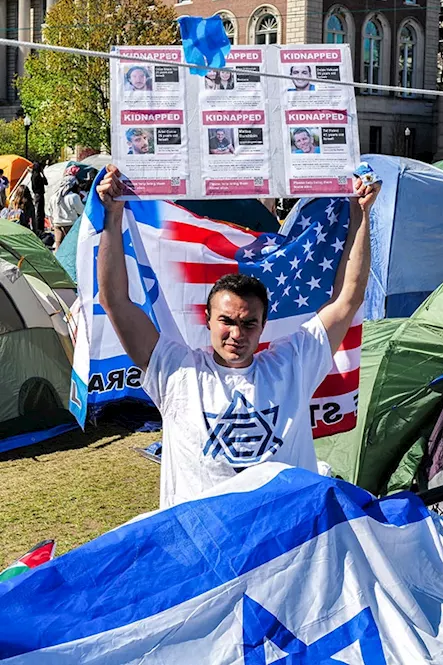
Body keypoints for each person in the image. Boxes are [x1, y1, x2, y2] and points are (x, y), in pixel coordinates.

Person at [95, 163, 379, 509]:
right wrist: (112, 217)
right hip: (204, 545)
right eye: (226, 321)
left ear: (264, 324)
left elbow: (348, 296)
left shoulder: (293, 364)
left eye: (248, 324)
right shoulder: (176, 371)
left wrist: (360, 213)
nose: (236, 334)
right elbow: (115, 302)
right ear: (208, 319)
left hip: (285, 543)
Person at [50, 166, 84, 249]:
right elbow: (81, 211)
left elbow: (50, 212)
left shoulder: (53, 197)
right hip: (70, 224)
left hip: (57, 223)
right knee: (70, 247)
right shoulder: (73, 197)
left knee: (58, 245)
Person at [30, 160, 46, 234]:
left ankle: (40, 227)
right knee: (39, 212)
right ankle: (39, 227)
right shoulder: (36, 176)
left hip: (39, 194)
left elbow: (46, 182)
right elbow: (44, 182)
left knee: (41, 212)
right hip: (38, 194)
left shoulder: (36, 175)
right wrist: (42, 174)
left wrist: (42, 174)